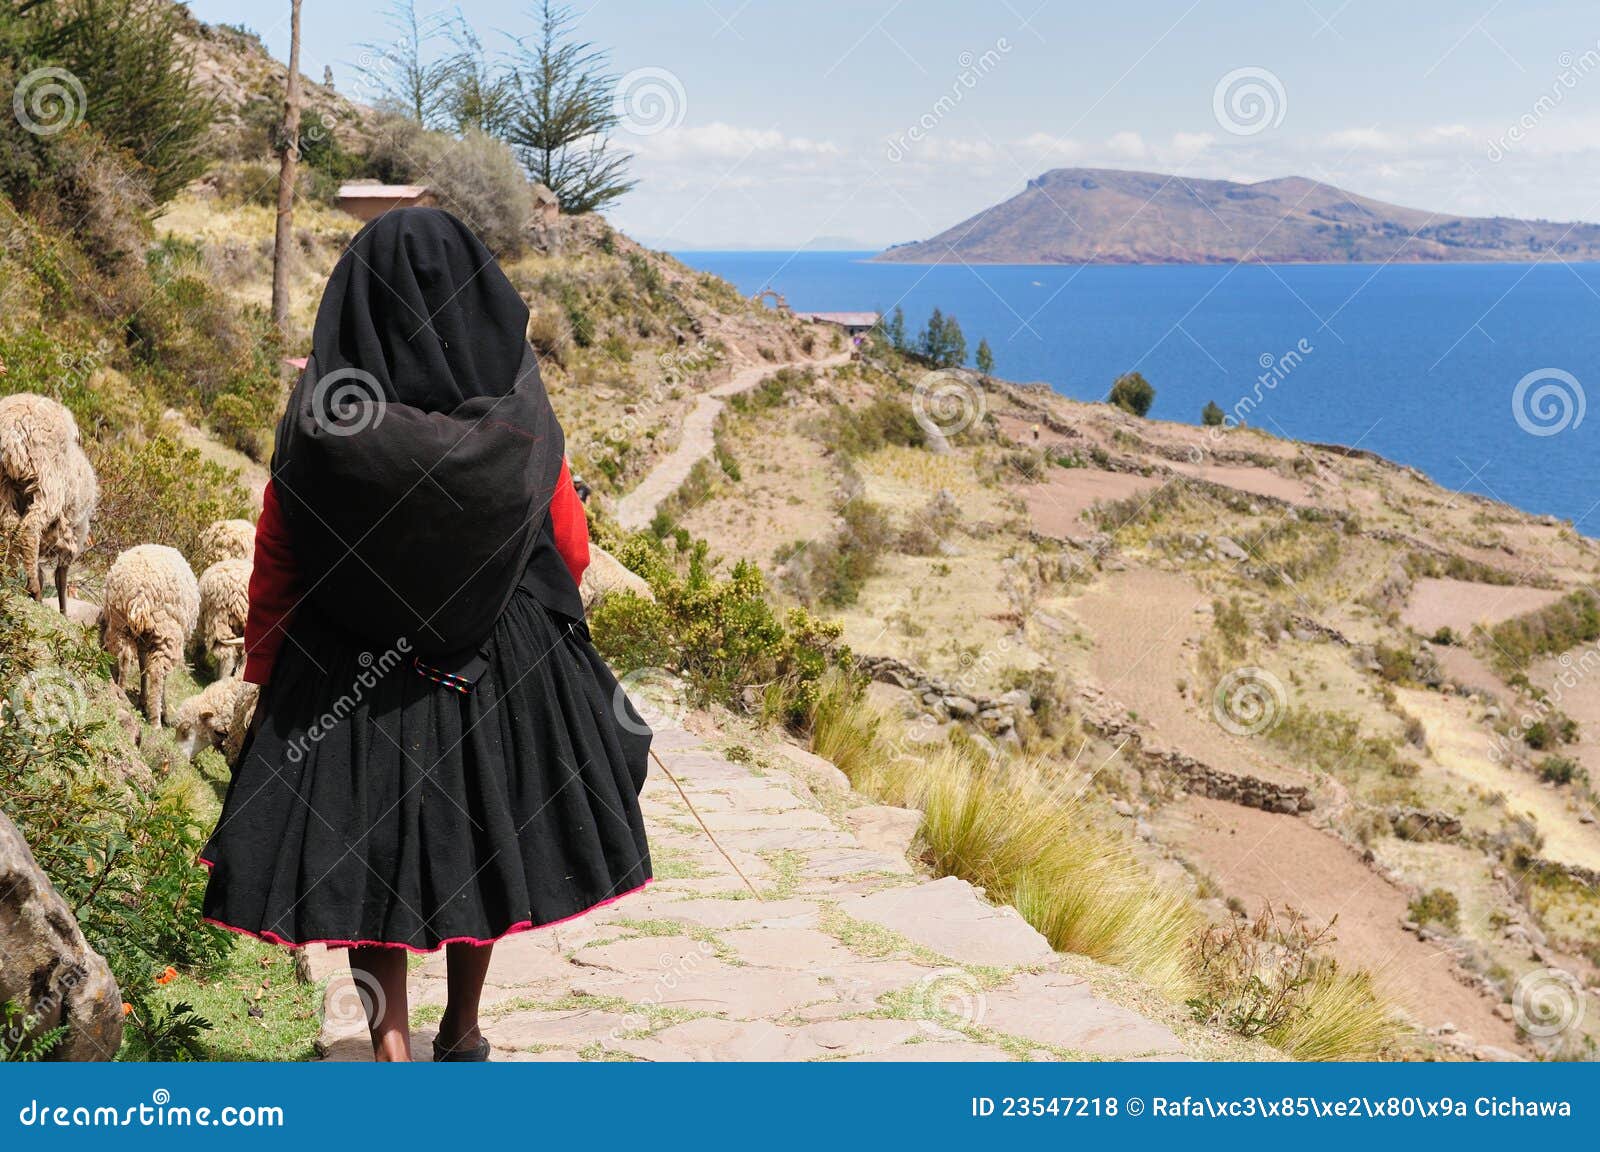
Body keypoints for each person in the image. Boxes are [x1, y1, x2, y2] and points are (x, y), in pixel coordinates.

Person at [199, 208, 652, 1062]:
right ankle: (465, 1026)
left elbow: (279, 547)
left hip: (348, 670)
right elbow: (570, 543)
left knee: (369, 858)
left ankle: (391, 1040)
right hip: (494, 662)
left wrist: (264, 664)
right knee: (490, 833)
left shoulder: (322, 416)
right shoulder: (520, 414)